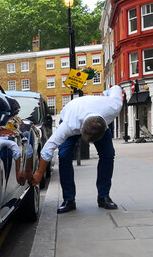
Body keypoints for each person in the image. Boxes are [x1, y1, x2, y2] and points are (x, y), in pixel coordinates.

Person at [31, 85, 124, 213]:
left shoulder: (114, 106)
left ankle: (104, 196)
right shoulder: (69, 125)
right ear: (80, 129)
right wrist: (39, 174)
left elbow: (117, 88)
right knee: (64, 156)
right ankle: (69, 200)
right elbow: (48, 149)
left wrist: (106, 93)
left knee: (108, 154)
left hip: (98, 114)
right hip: (72, 111)